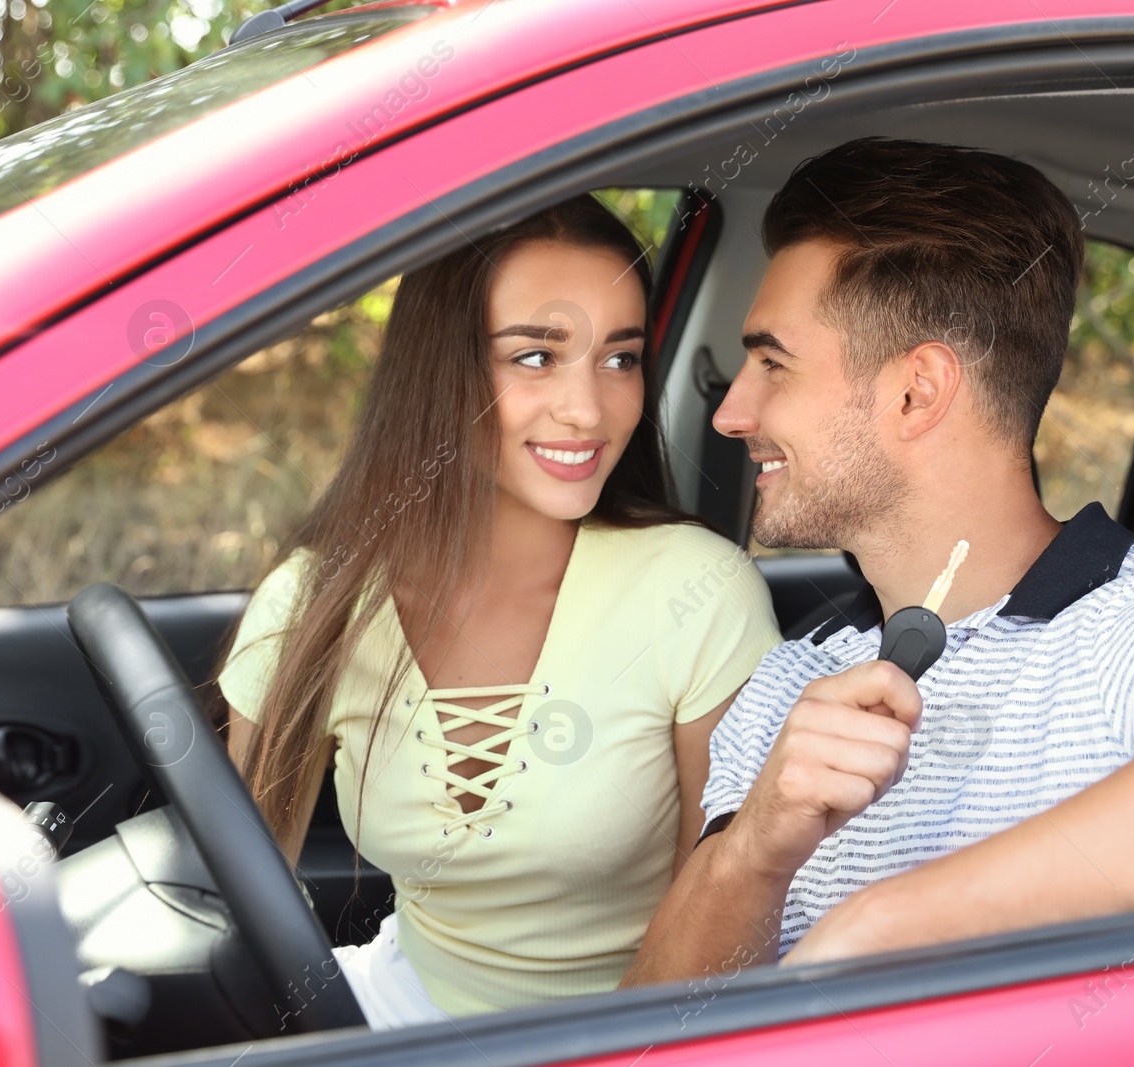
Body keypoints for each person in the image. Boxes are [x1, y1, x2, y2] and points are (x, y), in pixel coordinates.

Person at [622, 138, 1134, 983]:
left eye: (773, 362)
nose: (732, 411)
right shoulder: (785, 682)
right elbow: (652, 1022)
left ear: (917, 391)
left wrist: (885, 927)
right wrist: (755, 853)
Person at [218, 195, 780, 1026]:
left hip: (639, 1035)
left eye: (620, 359)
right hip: (397, 1010)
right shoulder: (313, 602)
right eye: (536, 357)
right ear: (439, 369)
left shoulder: (698, 592)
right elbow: (245, 903)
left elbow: (729, 919)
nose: (588, 410)